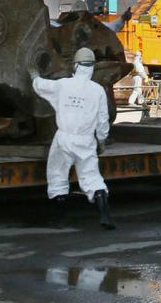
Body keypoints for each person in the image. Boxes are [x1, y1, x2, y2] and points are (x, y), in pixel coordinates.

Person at [30, 47, 114, 229]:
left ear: (75, 66)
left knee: (57, 175)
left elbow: (40, 86)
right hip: (86, 141)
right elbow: (102, 120)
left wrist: (33, 74)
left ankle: (59, 220)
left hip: (64, 139)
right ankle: (105, 217)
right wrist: (101, 140)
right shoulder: (98, 90)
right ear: (92, 67)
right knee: (92, 177)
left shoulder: (63, 85)